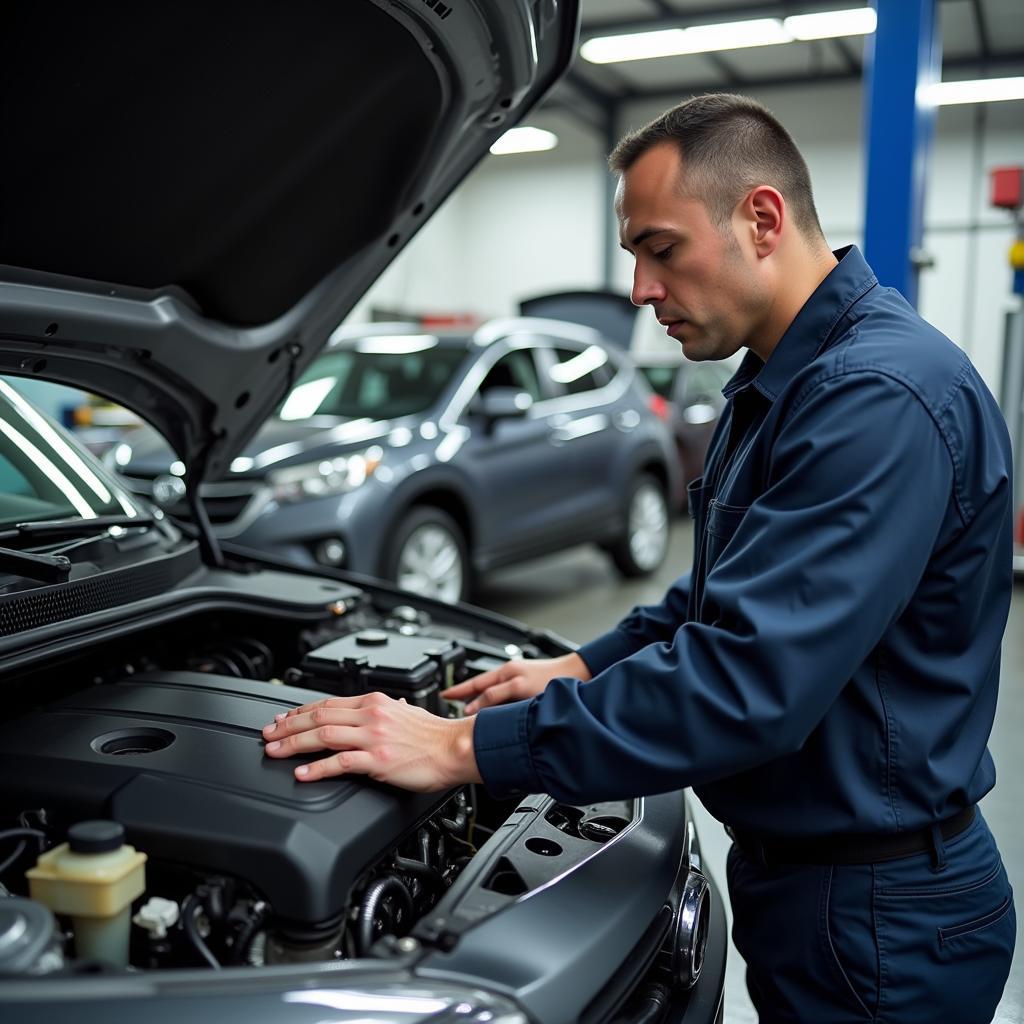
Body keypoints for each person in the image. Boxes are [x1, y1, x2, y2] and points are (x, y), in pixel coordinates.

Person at [261, 94, 1016, 1022]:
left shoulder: (875, 399)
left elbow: (747, 680)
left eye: (661, 248)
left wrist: (464, 749)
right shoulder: (783, 383)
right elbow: (718, 598)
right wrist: (582, 663)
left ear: (762, 219)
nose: (640, 291)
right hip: (822, 890)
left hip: (876, 918)